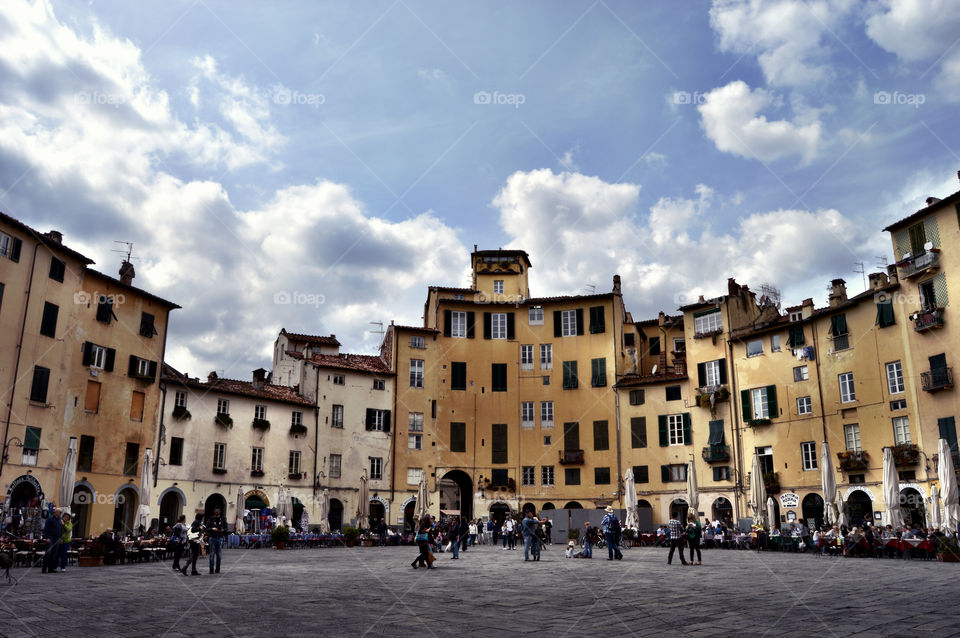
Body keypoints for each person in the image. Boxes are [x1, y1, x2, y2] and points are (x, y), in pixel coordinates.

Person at [205, 507, 226, 574]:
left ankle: (218, 569)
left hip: (220, 537)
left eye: (218, 511)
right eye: (216, 511)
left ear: (220, 512)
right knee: (212, 554)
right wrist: (212, 529)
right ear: (214, 511)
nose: (217, 512)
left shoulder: (223, 519)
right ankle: (211, 569)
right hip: (212, 537)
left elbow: (226, 528)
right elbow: (206, 528)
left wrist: (223, 530)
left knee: (219, 555)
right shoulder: (211, 519)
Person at [41, 508, 62, 574]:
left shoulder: (59, 520)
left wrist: (60, 538)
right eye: (60, 512)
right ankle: (44, 568)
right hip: (51, 537)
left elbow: (60, 529)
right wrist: (47, 538)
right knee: (48, 553)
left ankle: (51, 568)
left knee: (54, 554)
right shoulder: (50, 519)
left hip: (57, 538)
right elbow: (46, 529)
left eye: (61, 512)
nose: (60, 514)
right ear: (55, 512)